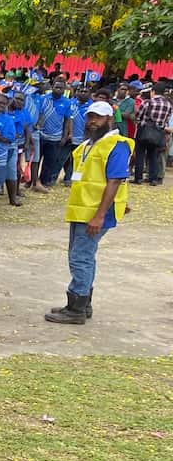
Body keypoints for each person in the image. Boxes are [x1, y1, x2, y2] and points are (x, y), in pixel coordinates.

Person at [44, 102, 133, 324]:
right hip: (80, 210)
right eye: (91, 117)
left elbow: (115, 180)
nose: (93, 121)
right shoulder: (88, 145)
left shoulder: (116, 145)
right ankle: (82, 304)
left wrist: (100, 214)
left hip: (95, 213)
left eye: (99, 117)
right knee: (82, 256)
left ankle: (76, 308)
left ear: (109, 119)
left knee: (80, 258)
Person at [133, 80, 170, 185]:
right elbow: (166, 120)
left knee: (140, 154)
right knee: (153, 154)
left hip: (144, 130)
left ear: (153, 91)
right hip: (158, 132)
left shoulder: (148, 102)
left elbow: (138, 116)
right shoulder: (168, 105)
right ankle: (153, 178)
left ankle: (138, 178)